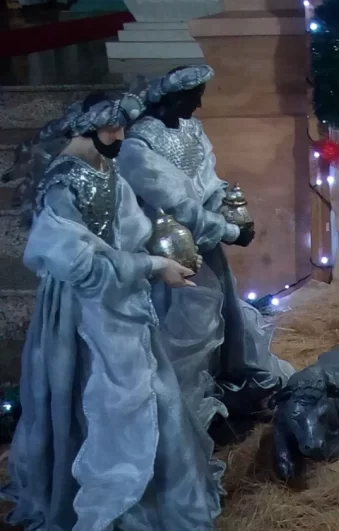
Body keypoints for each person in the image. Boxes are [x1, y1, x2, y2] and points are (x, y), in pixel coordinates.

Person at [2, 92, 224, 529]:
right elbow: (79, 263)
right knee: (96, 401)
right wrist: (152, 266)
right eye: (112, 128)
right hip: (80, 312)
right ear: (88, 128)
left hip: (120, 302)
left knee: (155, 397)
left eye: (122, 126)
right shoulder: (63, 183)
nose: (120, 136)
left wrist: (166, 248)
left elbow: (128, 229)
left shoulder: (106, 168)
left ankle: (155, 499)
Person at [119, 65, 294, 442]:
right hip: (167, 249)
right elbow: (176, 204)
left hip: (204, 243)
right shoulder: (137, 145)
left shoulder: (191, 129)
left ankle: (217, 390)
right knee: (190, 325)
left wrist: (231, 211)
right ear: (172, 97)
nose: (199, 104)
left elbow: (208, 183)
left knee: (221, 316)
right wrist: (228, 230)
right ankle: (181, 410)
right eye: (193, 96)